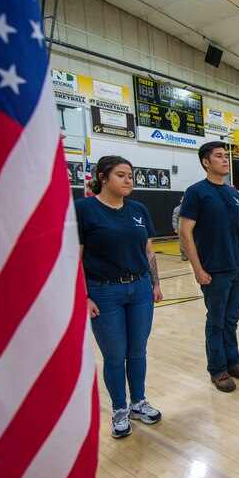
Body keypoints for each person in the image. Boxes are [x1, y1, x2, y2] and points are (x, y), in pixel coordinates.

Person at [75, 155, 163, 439]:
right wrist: (83, 297)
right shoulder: (84, 209)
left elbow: (149, 252)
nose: (129, 181)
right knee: (114, 356)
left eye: (131, 176)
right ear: (103, 177)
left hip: (139, 289)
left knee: (137, 351)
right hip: (104, 292)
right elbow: (74, 257)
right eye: (121, 175)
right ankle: (119, 410)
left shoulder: (138, 209)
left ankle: (138, 402)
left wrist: (155, 284)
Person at [180, 141, 239, 393]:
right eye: (219, 156)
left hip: (237, 268)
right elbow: (184, 233)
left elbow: (238, 231)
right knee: (216, 321)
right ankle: (218, 369)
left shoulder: (234, 195)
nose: (225, 160)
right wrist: (197, 269)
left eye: (226, 156)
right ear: (206, 162)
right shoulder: (196, 192)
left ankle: (232, 362)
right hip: (213, 270)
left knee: (231, 320)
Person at [172, 193, 187, 261]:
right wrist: (175, 228)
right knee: (182, 242)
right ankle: (184, 254)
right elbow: (174, 219)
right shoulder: (177, 209)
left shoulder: (191, 207)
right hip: (181, 228)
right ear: (180, 200)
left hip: (191, 229)